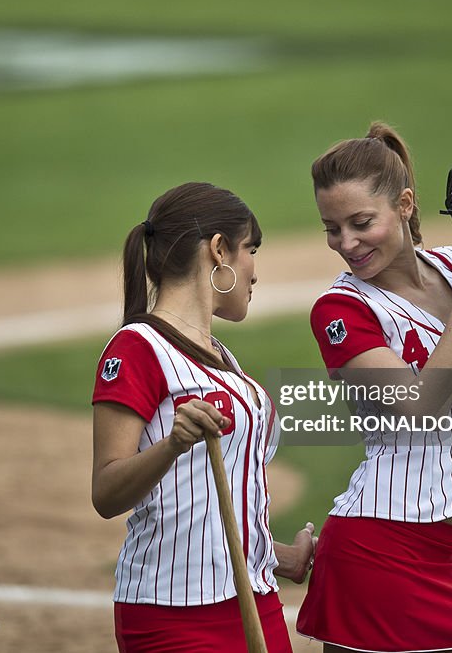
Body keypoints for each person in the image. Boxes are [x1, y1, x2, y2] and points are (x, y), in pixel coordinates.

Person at [295, 123, 452, 653]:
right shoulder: (341, 310)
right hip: (380, 547)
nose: (346, 243)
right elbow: (418, 408)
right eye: (331, 228)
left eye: (360, 222)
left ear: (406, 205)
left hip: (441, 550)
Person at [91, 182, 316, 652]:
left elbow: (207, 511)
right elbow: (107, 493)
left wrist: (278, 556)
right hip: (172, 613)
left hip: (256, 601)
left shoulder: (223, 357)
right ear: (218, 251)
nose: (255, 270)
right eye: (251, 249)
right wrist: (171, 444)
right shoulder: (137, 348)